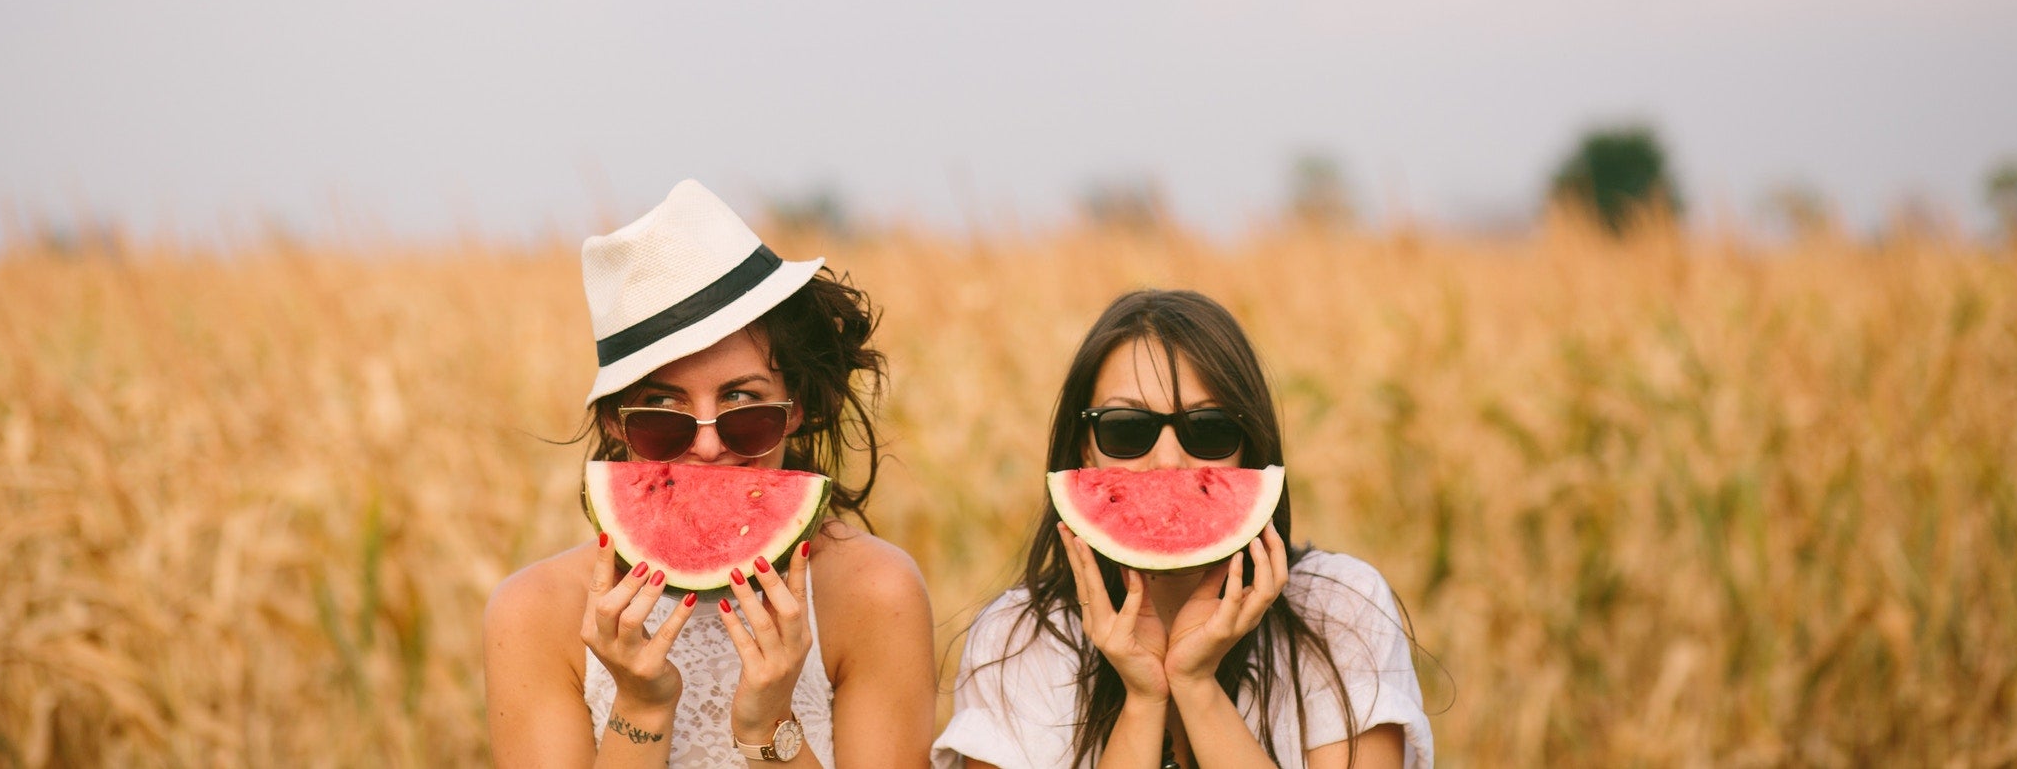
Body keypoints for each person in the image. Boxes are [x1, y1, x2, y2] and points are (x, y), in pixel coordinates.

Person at [485, 180, 935, 768]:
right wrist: (641, 708)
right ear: (617, 424)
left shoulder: (874, 594)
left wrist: (770, 725)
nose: (706, 445)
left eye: (744, 408)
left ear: (794, 408)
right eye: (662, 415)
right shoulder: (533, 614)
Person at [933, 289, 1433, 769]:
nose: (1168, 461)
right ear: (1085, 448)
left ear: (1250, 449)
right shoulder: (1018, 641)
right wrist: (1143, 699)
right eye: (1126, 428)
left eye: (1209, 428)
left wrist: (1195, 685)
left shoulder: (1337, 609)